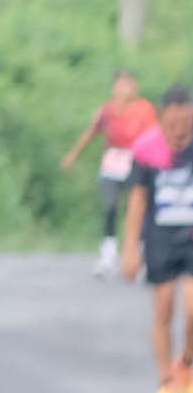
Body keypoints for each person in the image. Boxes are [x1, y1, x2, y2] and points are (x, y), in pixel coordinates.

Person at [123, 89, 193, 393]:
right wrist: (130, 249)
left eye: (186, 120)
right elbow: (137, 199)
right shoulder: (147, 149)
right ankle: (166, 382)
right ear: (163, 117)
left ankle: (187, 364)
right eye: (173, 121)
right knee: (163, 307)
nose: (179, 128)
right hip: (160, 237)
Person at [62, 68, 161, 275]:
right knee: (110, 206)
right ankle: (108, 253)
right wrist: (73, 154)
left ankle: (139, 254)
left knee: (137, 209)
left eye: (128, 84)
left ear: (134, 87)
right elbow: (90, 133)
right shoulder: (106, 111)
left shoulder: (144, 109)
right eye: (120, 85)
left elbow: (154, 136)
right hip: (112, 163)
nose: (124, 89)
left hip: (136, 162)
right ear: (114, 87)